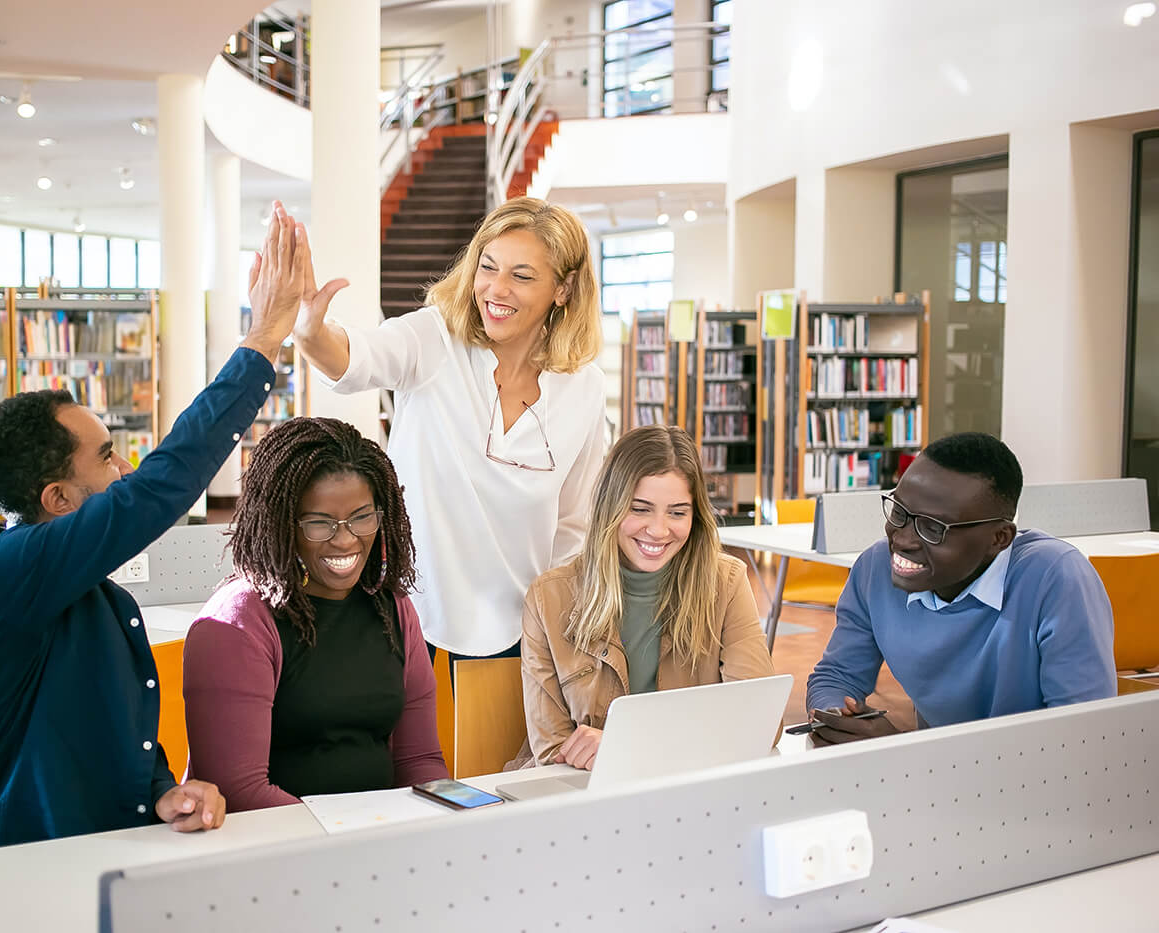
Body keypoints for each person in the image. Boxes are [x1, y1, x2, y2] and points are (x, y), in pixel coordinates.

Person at [0, 203, 308, 932]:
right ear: (57, 497)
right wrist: (262, 341)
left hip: (103, 881)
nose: (125, 467)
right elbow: (156, 489)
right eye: (106, 456)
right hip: (10, 899)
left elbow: (110, 733)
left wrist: (161, 789)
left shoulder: (97, 597)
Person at [292, 197, 606, 663]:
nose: (496, 290)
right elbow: (359, 358)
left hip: (521, 633)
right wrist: (312, 333)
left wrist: (559, 634)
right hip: (406, 619)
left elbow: (573, 526)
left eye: (521, 276)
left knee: (496, 741)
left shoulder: (584, 387)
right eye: (488, 267)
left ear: (564, 289)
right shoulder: (435, 339)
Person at [182, 417, 448, 810]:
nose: (345, 539)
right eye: (319, 524)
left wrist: (453, 816)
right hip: (281, 849)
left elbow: (419, 761)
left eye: (362, 517)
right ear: (281, 523)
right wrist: (350, 838)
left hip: (379, 840)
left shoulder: (393, 608)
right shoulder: (237, 622)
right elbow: (239, 792)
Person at [806, 432, 1117, 744]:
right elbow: (837, 676)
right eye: (899, 512)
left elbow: (1082, 740)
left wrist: (900, 752)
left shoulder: (1056, 578)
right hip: (940, 782)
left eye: (933, 528)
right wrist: (837, 716)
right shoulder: (875, 567)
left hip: (1036, 783)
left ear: (999, 538)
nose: (902, 539)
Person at [514, 425, 775, 769]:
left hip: (688, 787)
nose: (658, 529)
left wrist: (627, 746)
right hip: (582, 795)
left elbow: (761, 723)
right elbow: (552, 752)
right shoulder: (548, 599)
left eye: (678, 512)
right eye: (640, 509)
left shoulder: (726, 583)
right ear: (611, 507)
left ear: (695, 517)